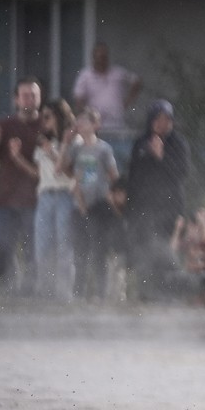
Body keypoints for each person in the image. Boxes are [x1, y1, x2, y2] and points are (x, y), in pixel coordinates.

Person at [127, 99, 192, 297]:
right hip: (144, 208)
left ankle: (170, 293)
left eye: (167, 119)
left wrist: (161, 156)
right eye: (159, 119)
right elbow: (134, 176)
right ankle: (146, 293)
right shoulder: (141, 143)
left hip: (169, 208)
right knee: (145, 250)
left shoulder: (178, 143)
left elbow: (182, 173)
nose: (163, 124)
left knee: (166, 251)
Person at [0, 76, 44, 297]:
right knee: (3, 247)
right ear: (16, 99)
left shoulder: (45, 126)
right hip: (6, 198)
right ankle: (8, 290)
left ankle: (30, 293)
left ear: (40, 98)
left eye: (33, 95)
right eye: (25, 95)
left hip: (34, 199)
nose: (29, 99)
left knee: (32, 249)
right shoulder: (5, 125)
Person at [60, 107, 120, 301]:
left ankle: (101, 293)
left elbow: (114, 176)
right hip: (79, 205)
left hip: (98, 206)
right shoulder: (76, 148)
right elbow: (62, 168)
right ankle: (79, 292)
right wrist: (65, 142)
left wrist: (109, 195)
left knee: (99, 250)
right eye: (79, 121)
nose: (80, 124)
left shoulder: (103, 149)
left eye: (85, 121)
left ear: (96, 125)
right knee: (80, 250)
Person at [32, 99, 78, 301]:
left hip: (64, 195)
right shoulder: (42, 142)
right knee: (42, 244)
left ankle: (64, 292)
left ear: (58, 117)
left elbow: (69, 172)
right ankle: (45, 290)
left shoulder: (73, 141)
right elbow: (38, 173)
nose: (44, 121)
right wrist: (17, 159)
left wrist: (52, 152)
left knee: (64, 244)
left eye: (48, 117)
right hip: (45, 196)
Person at [72, 42, 142, 170]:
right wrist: (88, 114)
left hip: (118, 129)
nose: (100, 61)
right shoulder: (85, 76)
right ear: (93, 58)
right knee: (99, 165)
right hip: (98, 131)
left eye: (103, 57)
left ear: (107, 58)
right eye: (98, 57)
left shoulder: (118, 73)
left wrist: (127, 102)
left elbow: (137, 81)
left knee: (118, 166)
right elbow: (78, 98)